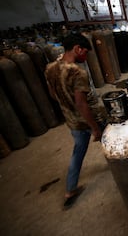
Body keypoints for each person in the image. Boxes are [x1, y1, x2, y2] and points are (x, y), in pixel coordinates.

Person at [45, 33, 106, 210]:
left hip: (72, 122)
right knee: (111, 141)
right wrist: (95, 128)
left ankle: (70, 191)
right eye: (85, 51)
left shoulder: (50, 68)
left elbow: (53, 94)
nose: (85, 56)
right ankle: (125, 169)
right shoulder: (77, 73)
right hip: (87, 120)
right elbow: (81, 103)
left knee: (77, 154)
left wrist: (67, 105)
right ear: (77, 49)